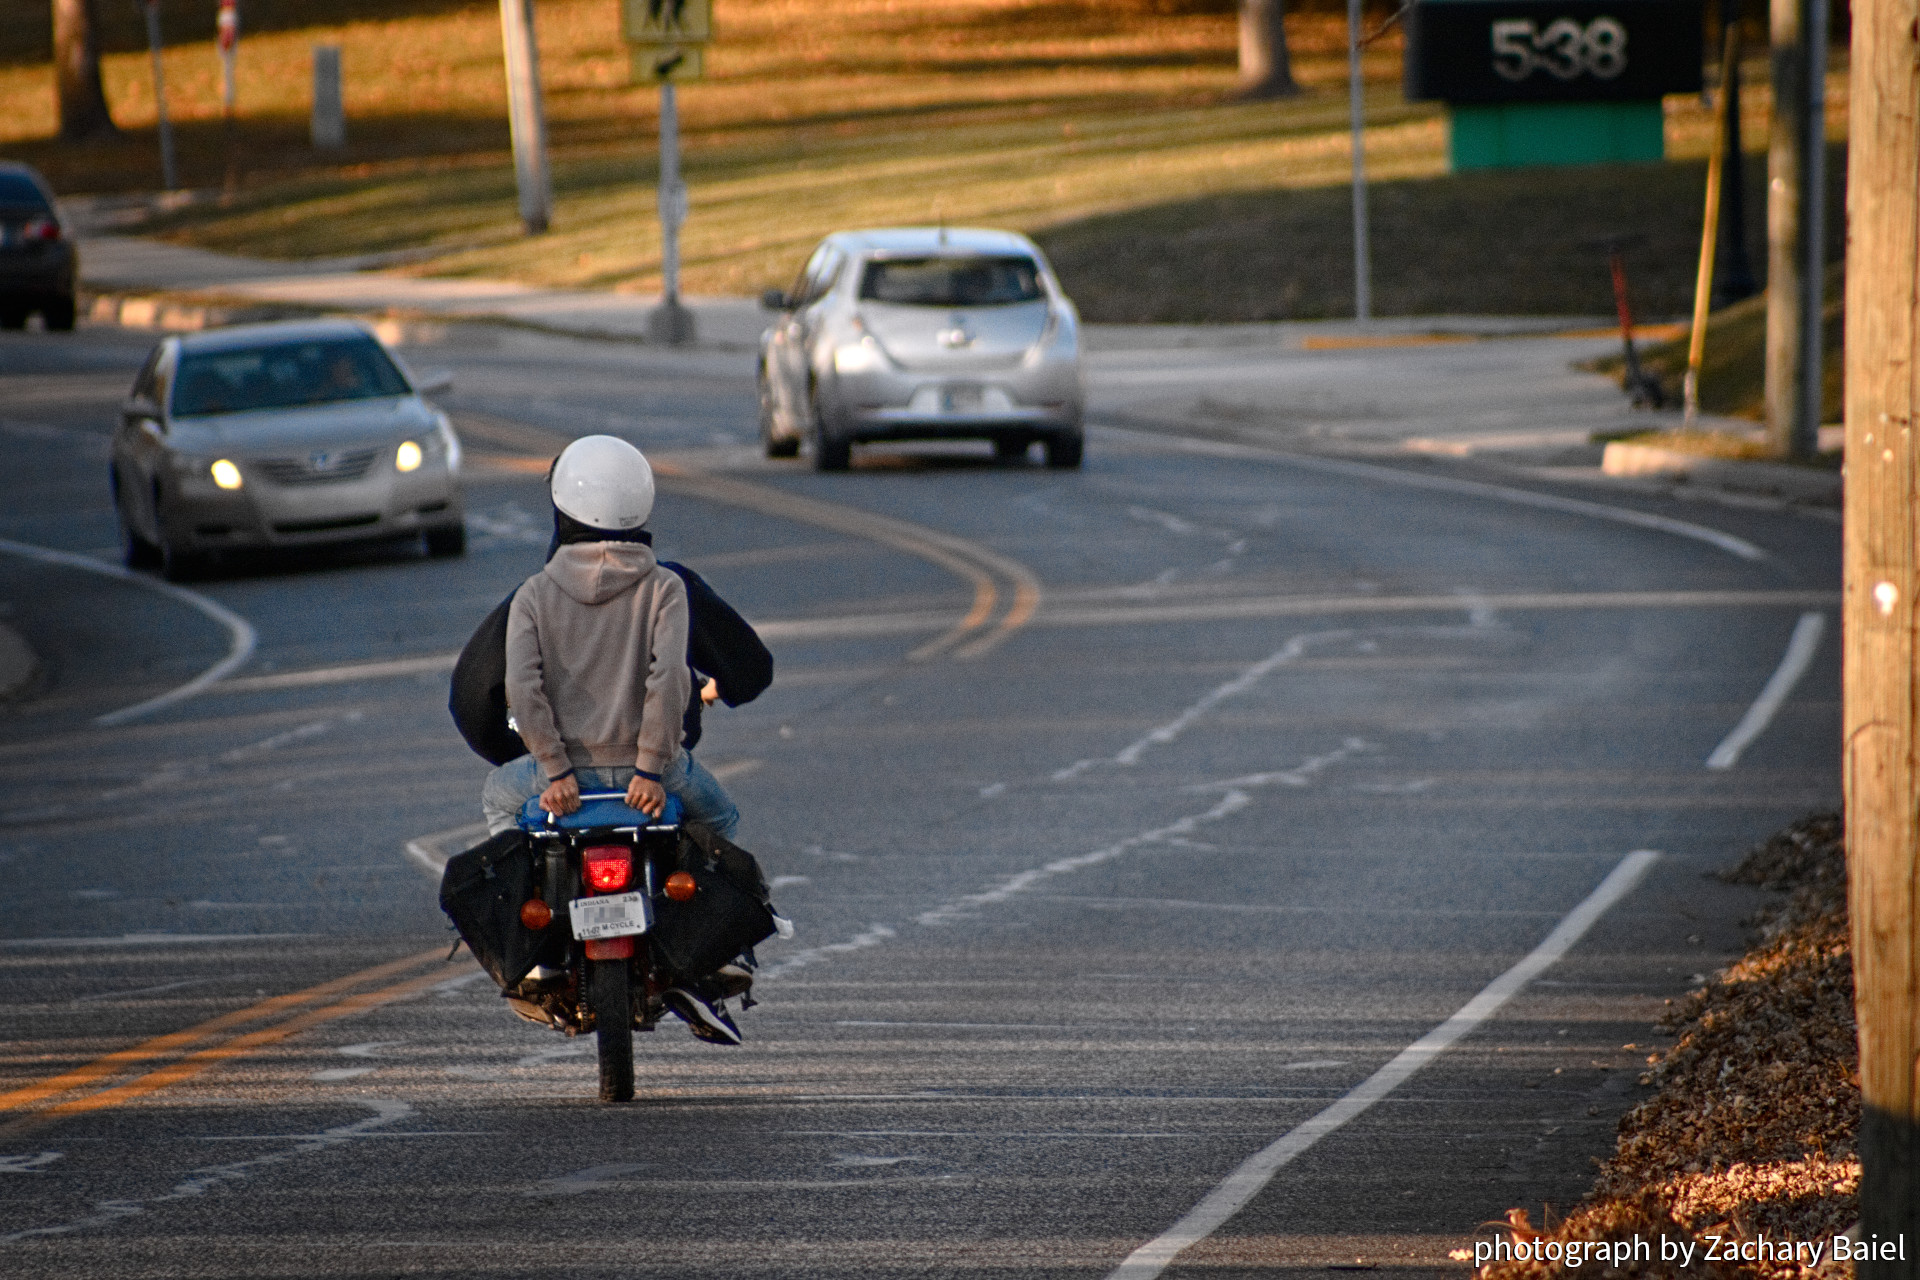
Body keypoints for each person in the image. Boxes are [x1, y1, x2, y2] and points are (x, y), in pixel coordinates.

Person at [477, 435, 750, 1044]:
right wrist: (652, 770)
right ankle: (711, 951)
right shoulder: (665, 589)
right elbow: (668, 679)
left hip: (562, 781)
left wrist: (554, 771)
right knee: (723, 821)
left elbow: (523, 689)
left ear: (564, 506)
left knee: (499, 801)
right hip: (647, 776)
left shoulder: (533, 596)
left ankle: (538, 948)